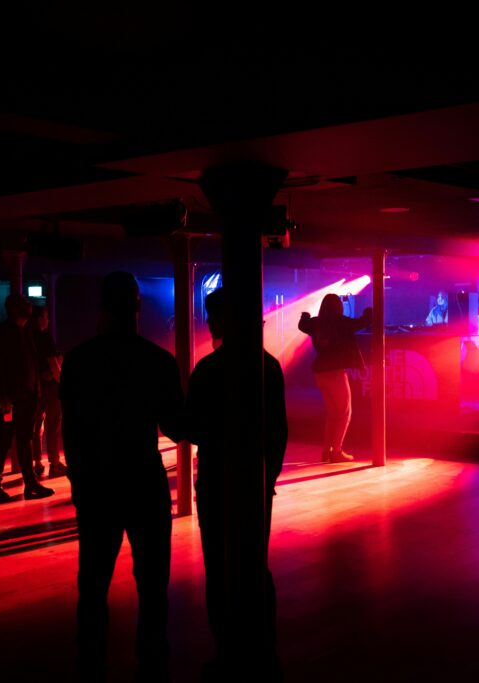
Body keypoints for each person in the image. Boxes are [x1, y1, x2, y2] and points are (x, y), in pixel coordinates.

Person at [59, 272, 184, 681]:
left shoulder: (79, 361)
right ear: (137, 306)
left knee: (93, 583)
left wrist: (78, 481)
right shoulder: (158, 361)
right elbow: (176, 427)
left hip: (98, 482)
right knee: (152, 582)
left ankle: (91, 660)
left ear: (101, 306)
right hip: (144, 480)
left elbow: (70, 430)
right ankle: (152, 658)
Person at [185, 287, 287, 677]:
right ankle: (264, 649)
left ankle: (227, 652)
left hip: (215, 480)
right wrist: (268, 476)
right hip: (257, 484)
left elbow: (192, 427)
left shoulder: (208, 370)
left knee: (218, 567)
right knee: (256, 566)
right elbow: (278, 432)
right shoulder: (269, 367)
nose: (209, 323)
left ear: (221, 321)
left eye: (212, 317)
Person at [0, 294, 54, 503]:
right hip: (13, 397)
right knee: (6, 439)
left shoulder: (24, 332)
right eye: (25, 304)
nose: (29, 307)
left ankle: (27, 484)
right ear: (15, 309)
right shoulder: (4, 333)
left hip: (26, 396)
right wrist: (4, 395)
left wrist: (36, 389)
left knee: (20, 440)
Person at [298, 294, 371, 462]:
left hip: (320, 372)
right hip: (336, 372)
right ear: (339, 306)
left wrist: (305, 316)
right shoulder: (341, 322)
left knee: (332, 413)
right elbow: (362, 322)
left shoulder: (316, 323)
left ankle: (326, 451)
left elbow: (302, 325)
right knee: (345, 412)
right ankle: (336, 451)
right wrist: (369, 312)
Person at [28, 305, 66, 479]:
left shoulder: (28, 337)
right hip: (50, 388)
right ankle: (55, 463)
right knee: (53, 425)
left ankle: (36, 462)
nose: (48, 320)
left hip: (34, 387)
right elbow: (53, 366)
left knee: (36, 426)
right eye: (45, 316)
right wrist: (62, 381)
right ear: (39, 319)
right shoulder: (46, 338)